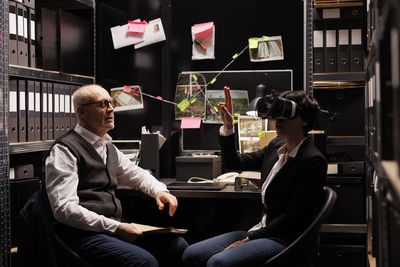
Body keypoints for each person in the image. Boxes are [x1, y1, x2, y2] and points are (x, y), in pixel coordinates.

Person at [45, 84, 188, 267]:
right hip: (82, 234)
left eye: (111, 103)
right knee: (144, 262)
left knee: (177, 247)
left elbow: (135, 174)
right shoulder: (65, 150)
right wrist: (116, 227)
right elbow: (64, 209)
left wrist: (160, 191)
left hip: (112, 228)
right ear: (82, 113)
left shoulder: (107, 146)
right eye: (103, 104)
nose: (111, 109)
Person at [182, 86, 327, 267]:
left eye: (285, 113)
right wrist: (228, 127)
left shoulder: (312, 160)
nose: (277, 120)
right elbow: (235, 164)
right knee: (191, 254)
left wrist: (249, 238)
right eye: (276, 114)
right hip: (261, 231)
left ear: (305, 120)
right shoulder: (276, 147)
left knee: (217, 263)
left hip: (285, 239)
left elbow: (293, 218)